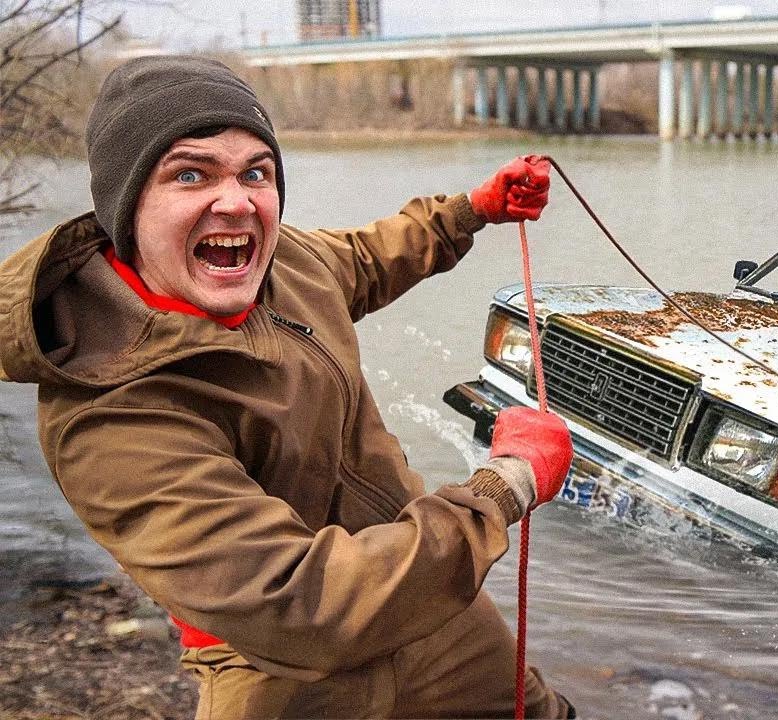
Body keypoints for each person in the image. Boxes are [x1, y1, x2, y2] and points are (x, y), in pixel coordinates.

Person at [0, 55, 576, 718]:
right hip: (276, 666)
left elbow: (366, 256)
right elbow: (302, 606)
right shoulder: (109, 416)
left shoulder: (284, 262)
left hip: (429, 602)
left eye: (256, 172)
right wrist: (508, 483)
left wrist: (470, 211)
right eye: (190, 174)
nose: (236, 201)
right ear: (125, 206)